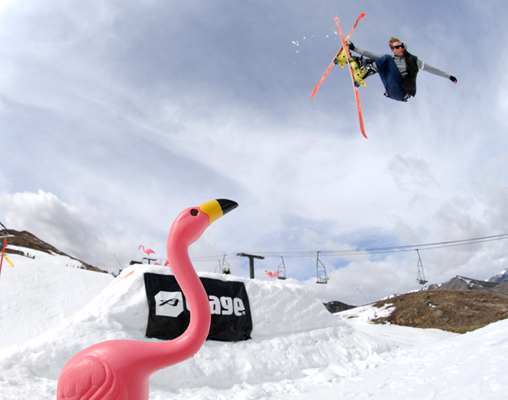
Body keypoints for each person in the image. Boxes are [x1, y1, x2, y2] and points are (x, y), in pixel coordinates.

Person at [337, 37, 457, 102]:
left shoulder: (412, 60)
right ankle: (347, 58)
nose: (400, 48)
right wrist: (354, 48)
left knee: (386, 59)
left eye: (401, 46)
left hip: (401, 91)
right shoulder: (391, 60)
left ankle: (361, 75)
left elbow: (431, 69)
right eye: (397, 47)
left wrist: (449, 76)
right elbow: (371, 55)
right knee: (378, 61)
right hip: (390, 90)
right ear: (393, 50)